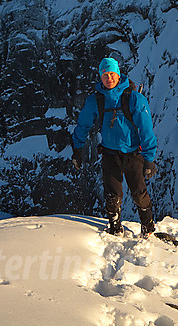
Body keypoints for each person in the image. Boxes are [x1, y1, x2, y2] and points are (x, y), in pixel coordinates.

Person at [71, 57, 157, 236]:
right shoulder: (96, 100)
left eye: (111, 74)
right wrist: (77, 149)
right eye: (104, 75)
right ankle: (115, 227)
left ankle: (148, 227)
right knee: (112, 196)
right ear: (100, 77)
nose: (108, 78)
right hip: (109, 154)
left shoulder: (134, 98)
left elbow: (146, 130)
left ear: (118, 75)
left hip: (133, 153)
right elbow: (83, 125)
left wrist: (149, 159)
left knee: (139, 194)